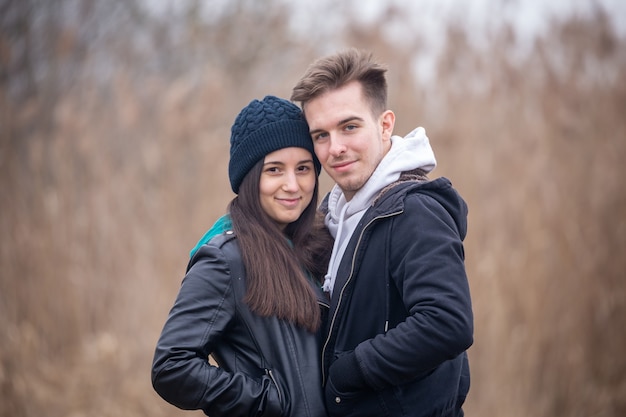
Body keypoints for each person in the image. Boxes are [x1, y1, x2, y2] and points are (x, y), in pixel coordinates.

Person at [290, 48, 474, 417]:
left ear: (385, 124)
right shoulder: (333, 214)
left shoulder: (414, 211)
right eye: (321, 135)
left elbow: (448, 323)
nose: (335, 148)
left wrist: (349, 372)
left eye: (349, 127)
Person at [151, 96, 333, 417]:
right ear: (248, 179)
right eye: (274, 170)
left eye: (303, 168)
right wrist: (269, 402)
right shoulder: (225, 258)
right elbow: (171, 365)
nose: (292, 185)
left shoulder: (320, 244)